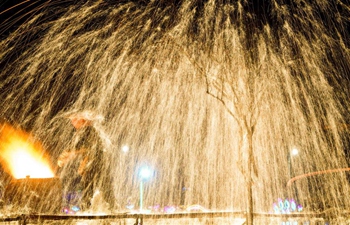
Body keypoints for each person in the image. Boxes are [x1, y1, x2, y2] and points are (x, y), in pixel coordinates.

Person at [57, 110, 115, 212]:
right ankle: (112, 210)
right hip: (97, 164)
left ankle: (88, 211)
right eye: (72, 120)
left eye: (74, 119)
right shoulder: (88, 131)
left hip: (94, 165)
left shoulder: (87, 130)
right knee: (103, 189)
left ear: (82, 120)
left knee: (90, 190)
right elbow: (86, 149)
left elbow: (88, 148)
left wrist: (70, 155)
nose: (72, 123)